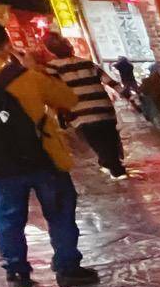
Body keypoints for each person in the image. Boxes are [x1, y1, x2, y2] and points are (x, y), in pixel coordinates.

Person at [0, 18, 99, 287]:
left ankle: (16, 270)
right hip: (42, 156)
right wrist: (33, 68)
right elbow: (68, 99)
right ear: (6, 44)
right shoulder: (24, 76)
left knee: (8, 215)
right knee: (59, 211)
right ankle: (67, 267)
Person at [40, 34, 128, 179]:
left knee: (98, 143)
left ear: (50, 51)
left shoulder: (51, 69)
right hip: (104, 109)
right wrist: (131, 98)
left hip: (80, 113)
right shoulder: (87, 63)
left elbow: (53, 92)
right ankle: (113, 166)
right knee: (110, 139)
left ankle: (114, 168)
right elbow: (111, 82)